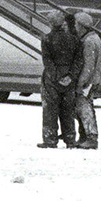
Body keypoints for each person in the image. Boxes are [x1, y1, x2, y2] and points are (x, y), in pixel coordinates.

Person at [38, 10, 82, 149]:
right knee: (68, 109)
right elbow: (78, 60)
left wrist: (56, 76)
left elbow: (47, 60)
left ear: (50, 23)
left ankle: (50, 139)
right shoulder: (75, 39)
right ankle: (70, 138)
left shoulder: (47, 39)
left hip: (52, 78)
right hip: (69, 77)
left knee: (50, 109)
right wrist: (70, 76)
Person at [71, 11, 101, 149]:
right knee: (84, 108)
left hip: (88, 81)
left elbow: (88, 65)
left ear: (81, 26)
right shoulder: (94, 38)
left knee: (84, 108)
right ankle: (84, 137)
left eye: (76, 24)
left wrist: (81, 83)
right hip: (93, 80)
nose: (74, 27)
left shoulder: (88, 41)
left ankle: (91, 137)